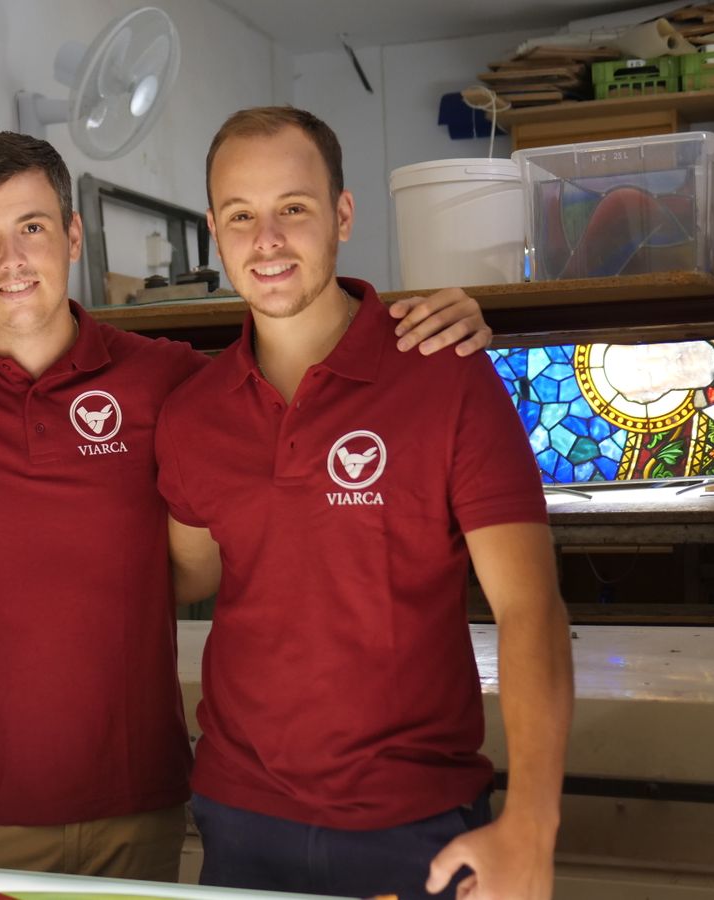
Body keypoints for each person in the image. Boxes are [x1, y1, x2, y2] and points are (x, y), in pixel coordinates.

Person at [0, 131, 499, 881]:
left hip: (139, 802)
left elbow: (298, 339)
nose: (11, 259)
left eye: (33, 227)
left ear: (73, 235)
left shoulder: (167, 380)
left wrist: (426, 318)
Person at [156, 106, 572, 900]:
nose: (267, 240)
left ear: (343, 215)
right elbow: (191, 569)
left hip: (414, 820)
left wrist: (532, 822)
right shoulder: (192, 412)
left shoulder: (445, 374)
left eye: (294, 209)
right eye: (241, 216)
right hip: (240, 815)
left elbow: (531, 609)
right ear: (215, 230)